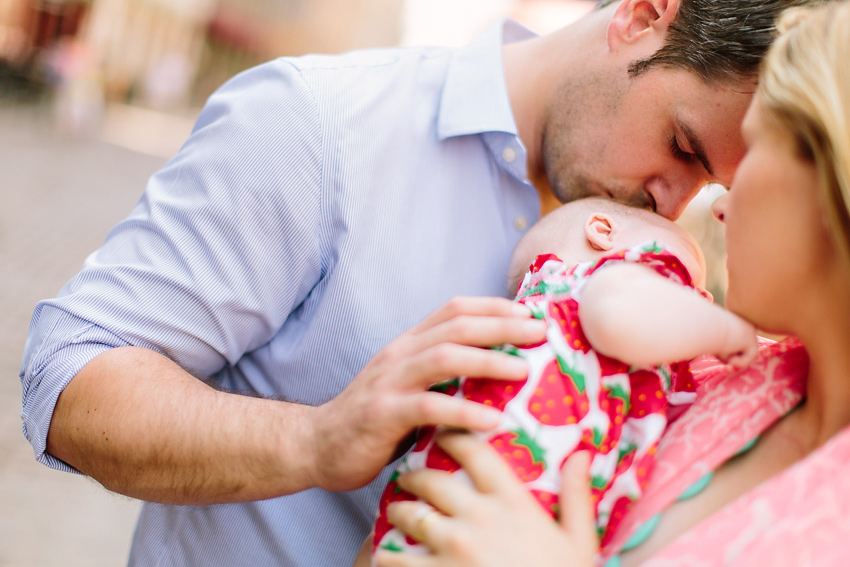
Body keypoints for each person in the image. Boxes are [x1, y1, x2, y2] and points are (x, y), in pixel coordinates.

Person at [18, 0, 822, 565]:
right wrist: (315, 440)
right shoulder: (320, 121)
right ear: (644, 14)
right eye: (683, 147)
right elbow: (69, 380)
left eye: (711, 185)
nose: (677, 204)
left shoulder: (655, 266)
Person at [374, 2, 850, 566]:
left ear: (830, 178)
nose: (717, 206)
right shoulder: (716, 375)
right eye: (684, 148)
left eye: (754, 153)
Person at [361, 197, 756, 565]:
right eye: (684, 276)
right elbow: (616, 314)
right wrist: (724, 331)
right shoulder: (590, 286)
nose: (700, 297)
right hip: (499, 509)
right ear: (603, 233)